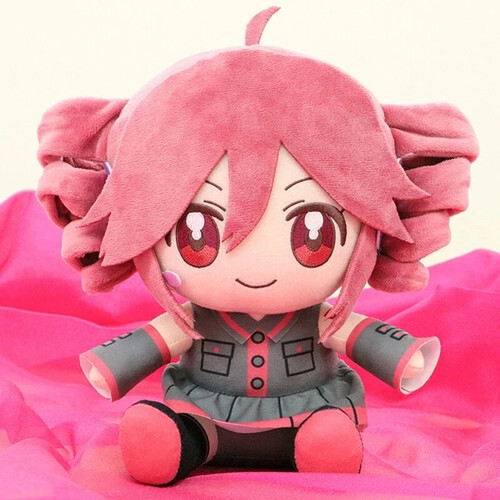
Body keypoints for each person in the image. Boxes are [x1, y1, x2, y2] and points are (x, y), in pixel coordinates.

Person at [36, 7, 478, 486]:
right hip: (206, 414)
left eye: (313, 233)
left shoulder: (321, 318)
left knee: (323, 432)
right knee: (185, 430)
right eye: (199, 235)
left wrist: (404, 356)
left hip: (308, 413)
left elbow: (363, 337)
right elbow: (148, 344)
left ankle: (319, 446)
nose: (252, 265)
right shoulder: (194, 321)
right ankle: (181, 443)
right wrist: (110, 367)